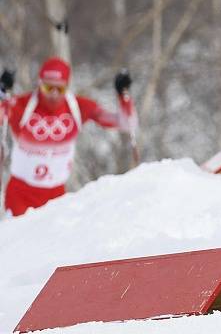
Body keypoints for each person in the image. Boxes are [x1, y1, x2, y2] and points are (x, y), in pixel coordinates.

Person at [0, 57, 136, 217]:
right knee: (19, 241)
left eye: (60, 89)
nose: (54, 94)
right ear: (39, 84)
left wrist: (124, 96)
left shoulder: (78, 107)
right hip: (21, 194)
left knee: (52, 242)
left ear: (67, 87)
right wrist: (2, 93)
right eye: (47, 88)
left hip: (56, 195)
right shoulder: (21, 105)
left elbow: (125, 123)